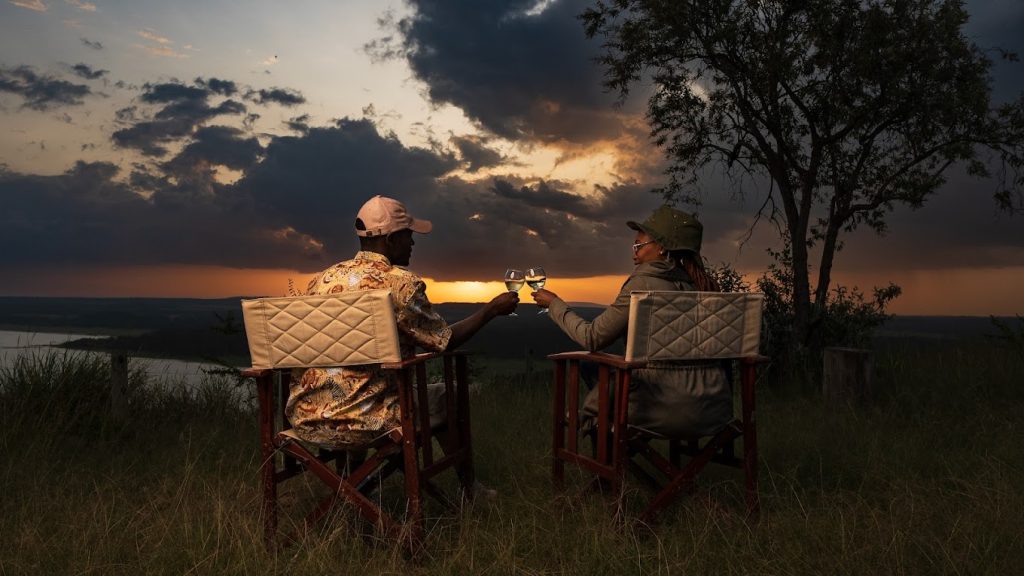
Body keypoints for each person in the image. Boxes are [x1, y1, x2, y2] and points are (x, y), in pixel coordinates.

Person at [286, 195, 519, 450]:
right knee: (447, 393)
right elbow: (444, 340)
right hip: (372, 422)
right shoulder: (401, 284)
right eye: (408, 234)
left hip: (308, 419)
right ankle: (468, 487)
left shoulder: (321, 281)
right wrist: (491, 310)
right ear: (390, 240)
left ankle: (359, 485)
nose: (413, 242)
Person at [531, 205, 731, 438]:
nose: (633, 253)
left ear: (663, 249)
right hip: (712, 411)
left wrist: (555, 304)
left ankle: (607, 455)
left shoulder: (642, 286)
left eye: (639, 245)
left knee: (589, 364)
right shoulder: (704, 290)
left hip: (658, 410)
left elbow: (592, 337)